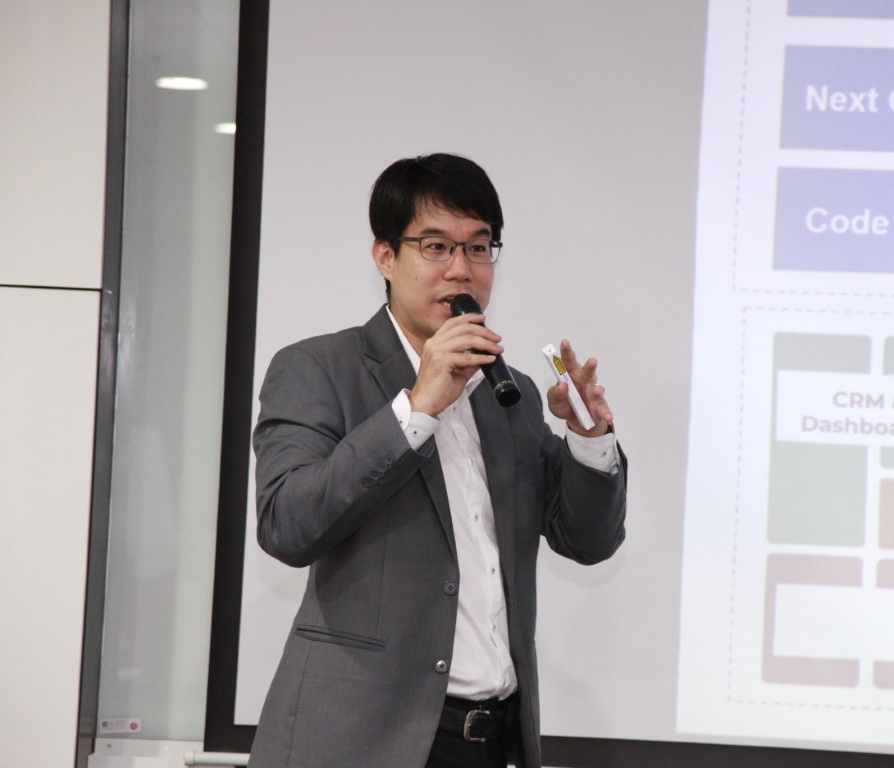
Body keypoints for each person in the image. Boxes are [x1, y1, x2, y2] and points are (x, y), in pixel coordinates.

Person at [247, 153, 627, 768]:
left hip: (490, 741)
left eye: (479, 247)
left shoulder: (511, 394)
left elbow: (587, 541)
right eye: (436, 246)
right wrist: (417, 406)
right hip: (362, 743)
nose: (461, 269)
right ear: (385, 256)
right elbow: (287, 525)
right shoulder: (318, 368)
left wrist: (588, 438)